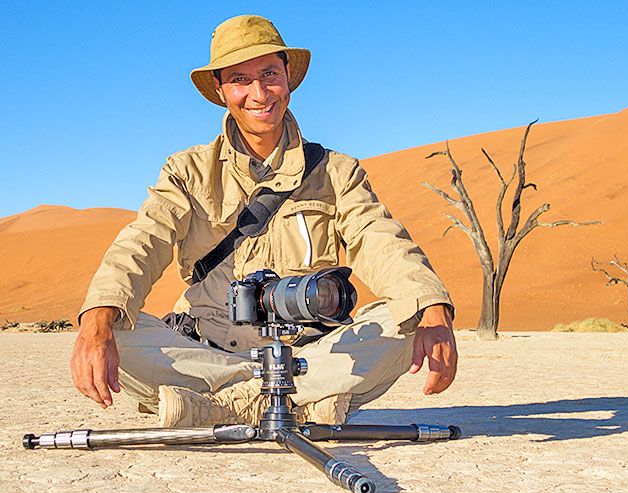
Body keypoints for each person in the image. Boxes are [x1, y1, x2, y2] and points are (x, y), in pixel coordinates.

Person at [70, 14, 457, 427]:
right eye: (239, 79)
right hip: (209, 355)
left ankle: (225, 407)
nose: (258, 93)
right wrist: (98, 317)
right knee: (118, 333)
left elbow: (380, 239)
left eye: (269, 74)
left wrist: (432, 308)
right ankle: (295, 404)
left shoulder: (337, 172)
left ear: (287, 77)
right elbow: (143, 241)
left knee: (404, 322)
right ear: (220, 90)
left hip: (308, 357)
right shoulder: (187, 171)